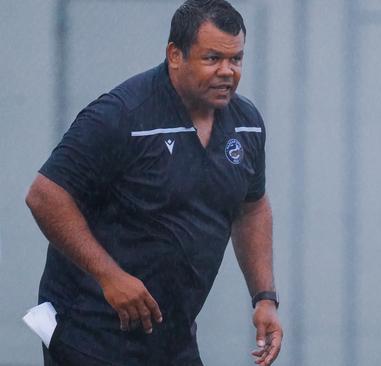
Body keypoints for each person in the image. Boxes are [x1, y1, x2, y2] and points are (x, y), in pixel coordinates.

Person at [24, 1, 282, 365]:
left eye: (236, 60)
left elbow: (251, 207)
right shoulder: (122, 115)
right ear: (175, 55)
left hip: (172, 337)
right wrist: (110, 276)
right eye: (212, 59)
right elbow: (45, 195)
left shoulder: (247, 124)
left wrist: (264, 298)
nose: (227, 72)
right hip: (90, 333)